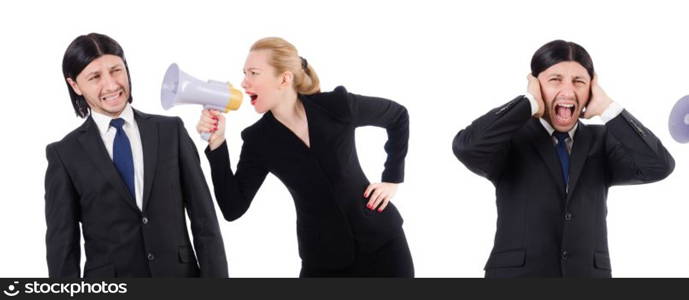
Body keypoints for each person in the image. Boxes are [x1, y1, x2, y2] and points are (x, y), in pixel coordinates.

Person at [452, 40, 675, 277]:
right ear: (537, 85)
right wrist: (527, 103)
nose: (568, 92)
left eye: (579, 82)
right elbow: (467, 147)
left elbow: (659, 166)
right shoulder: (510, 138)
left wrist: (607, 108)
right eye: (555, 80)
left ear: (591, 89)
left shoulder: (601, 141)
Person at [197, 37, 413, 277]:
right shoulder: (259, 140)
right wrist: (217, 143)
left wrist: (392, 179)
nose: (244, 83)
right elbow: (232, 207)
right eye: (244, 73)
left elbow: (397, 116)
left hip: (382, 245)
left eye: (254, 73)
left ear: (284, 78)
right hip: (323, 259)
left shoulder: (336, 106)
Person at [45, 33, 228, 278]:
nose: (111, 85)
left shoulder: (170, 131)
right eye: (95, 77)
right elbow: (62, 249)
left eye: (116, 70)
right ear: (75, 85)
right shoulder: (64, 154)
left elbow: (205, 222)